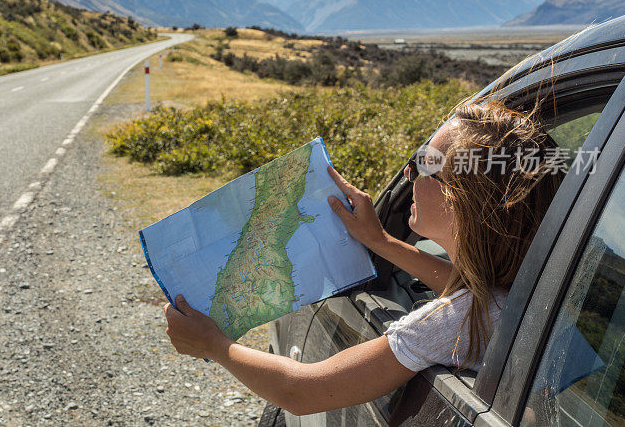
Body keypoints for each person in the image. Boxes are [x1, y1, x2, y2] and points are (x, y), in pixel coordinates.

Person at [162, 99, 564, 416]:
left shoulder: (449, 323)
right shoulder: (520, 293)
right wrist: (380, 240)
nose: (409, 175)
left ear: (460, 201)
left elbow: (301, 391)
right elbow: (471, 290)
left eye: (425, 164)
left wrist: (214, 345)